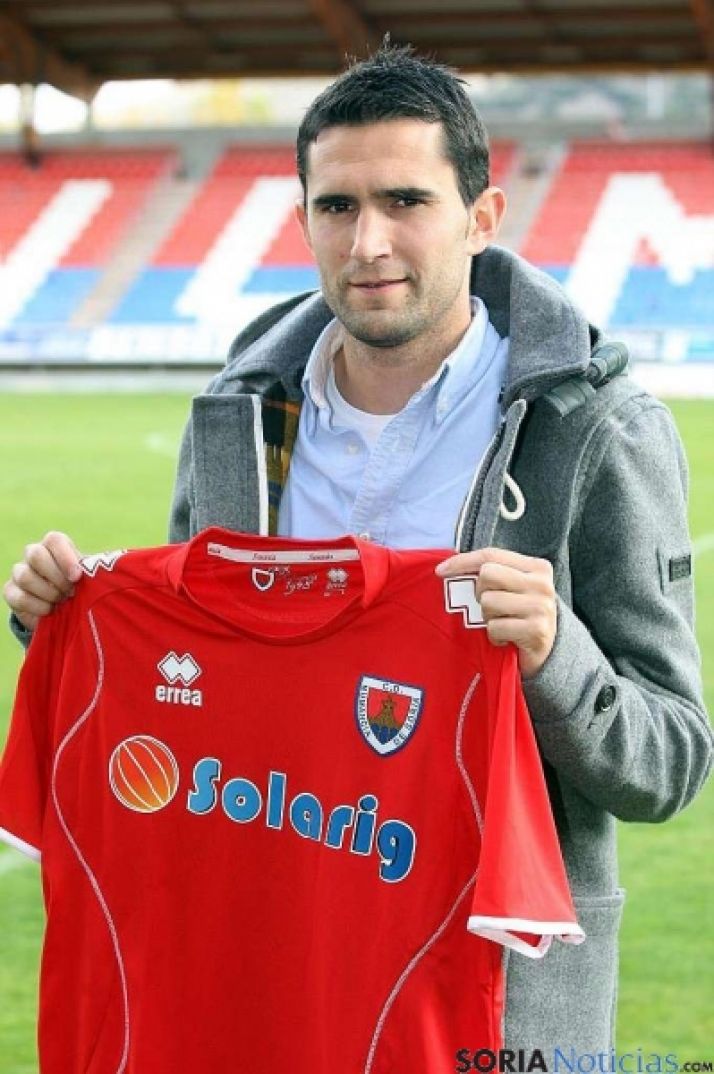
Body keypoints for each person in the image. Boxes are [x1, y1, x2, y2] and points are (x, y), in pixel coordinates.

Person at [4, 43, 712, 1059]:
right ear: (302, 221)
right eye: (336, 207)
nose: (368, 240)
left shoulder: (596, 429)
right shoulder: (236, 420)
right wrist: (65, 625)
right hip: (271, 967)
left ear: (480, 218)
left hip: (492, 1000)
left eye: (405, 200)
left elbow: (672, 762)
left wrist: (556, 657)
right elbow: (202, 680)